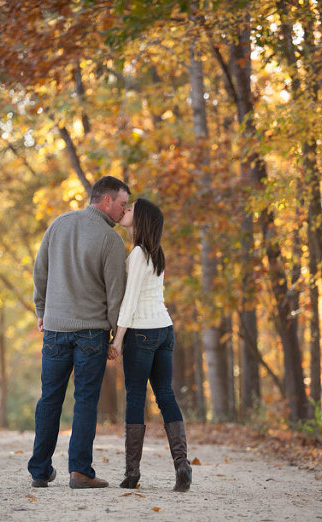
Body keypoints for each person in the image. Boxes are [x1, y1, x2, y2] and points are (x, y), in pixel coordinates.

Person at [28, 176, 130, 489]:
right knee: (85, 400)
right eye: (122, 204)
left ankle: (40, 471)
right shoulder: (111, 240)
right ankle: (80, 472)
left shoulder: (59, 224)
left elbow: (40, 270)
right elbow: (116, 294)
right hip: (91, 333)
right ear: (107, 200)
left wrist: (41, 310)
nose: (124, 211)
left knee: (50, 398)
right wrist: (116, 335)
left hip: (55, 328)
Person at [107, 198, 192, 492]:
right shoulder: (156, 253)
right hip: (164, 329)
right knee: (165, 395)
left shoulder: (138, 254)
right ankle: (182, 464)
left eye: (130, 209)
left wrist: (117, 340)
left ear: (140, 218)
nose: (125, 211)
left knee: (135, 397)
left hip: (142, 332)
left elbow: (130, 302)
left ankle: (132, 473)